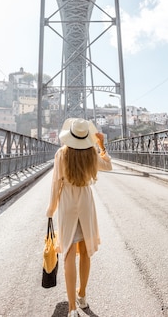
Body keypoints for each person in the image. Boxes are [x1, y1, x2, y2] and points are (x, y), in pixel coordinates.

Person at [46, 118, 112, 317]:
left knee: (67, 253)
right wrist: (101, 146)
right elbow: (108, 166)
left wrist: (51, 209)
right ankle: (82, 295)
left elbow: (56, 184)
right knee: (84, 251)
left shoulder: (61, 154)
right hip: (85, 202)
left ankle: (73, 308)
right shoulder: (91, 153)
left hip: (67, 204)